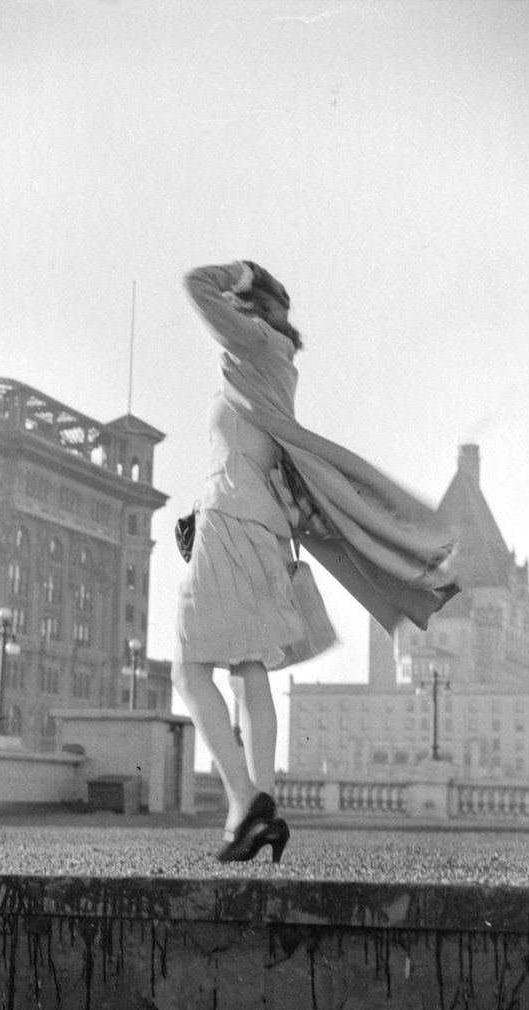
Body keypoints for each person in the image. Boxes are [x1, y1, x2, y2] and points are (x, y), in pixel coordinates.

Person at [172, 259, 323, 864]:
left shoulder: (253, 343)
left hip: (232, 518)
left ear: (250, 304)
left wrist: (240, 271)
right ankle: (265, 802)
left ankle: (245, 802)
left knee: (188, 669)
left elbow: (193, 283)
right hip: (261, 525)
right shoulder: (277, 358)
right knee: (247, 668)